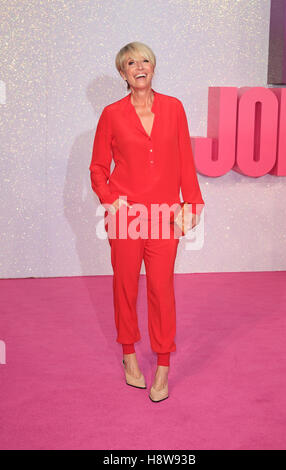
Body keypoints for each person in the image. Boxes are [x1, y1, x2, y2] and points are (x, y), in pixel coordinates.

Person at [89, 41, 205, 402]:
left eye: (145, 61)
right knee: (125, 287)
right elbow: (97, 167)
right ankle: (128, 356)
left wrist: (193, 203)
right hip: (127, 218)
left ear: (153, 67)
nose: (139, 67)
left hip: (165, 217)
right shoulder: (111, 114)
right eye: (130, 63)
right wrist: (110, 200)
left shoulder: (174, 108)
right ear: (123, 73)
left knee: (161, 289)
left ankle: (164, 365)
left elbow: (185, 159)